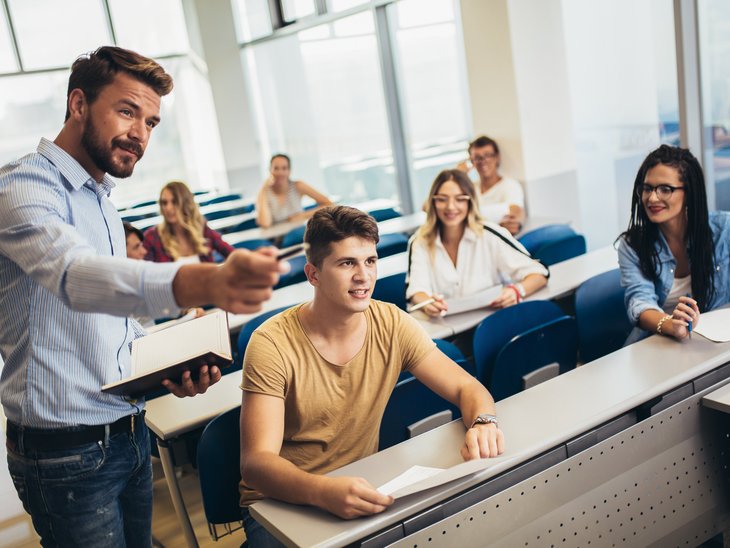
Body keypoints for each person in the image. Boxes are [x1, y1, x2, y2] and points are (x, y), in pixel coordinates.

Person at [0, 46, 286, 547]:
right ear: (78, 104)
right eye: (127, 111)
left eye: (152, 122)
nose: (141, 133)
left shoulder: (103, 202)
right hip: (64, 453)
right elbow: (74, 275)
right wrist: (205, 280)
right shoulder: (23, 186)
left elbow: (116, 321)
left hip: (129, 429)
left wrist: (166, 368)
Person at [239, 206, 504, 546]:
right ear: (314, 274)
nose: (364, 276)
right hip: (277, 503)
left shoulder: (391, 323)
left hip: (361, 483)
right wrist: (323, 491)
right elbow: (257, 464)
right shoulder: (271, 343)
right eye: (347, 263)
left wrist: (483, 421)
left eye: (370, 261)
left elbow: (467, 387)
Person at [617, 144, 730, 343]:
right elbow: (640, 302)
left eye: (665, 189)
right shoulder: (632, 245)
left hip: (714, 341)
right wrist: (671, 325)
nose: (652, 198)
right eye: (647, 188)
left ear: (689, 193)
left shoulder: (724, 229)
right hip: (658, 343)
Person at [406, 169, 548, 318]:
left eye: (460, 199)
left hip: (494, 320)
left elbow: (539, 273)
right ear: (433, 202)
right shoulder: (419, 242)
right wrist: (427, 302)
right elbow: (416, 290)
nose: (451, 207)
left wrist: (517, 291)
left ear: (470, 202)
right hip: (448, 328)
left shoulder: (489, 234)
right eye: (442, 199)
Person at [143, 180, 234, 263]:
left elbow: (233, 254)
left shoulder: (202, 230)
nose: (168, 208)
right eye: (164, 203)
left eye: (174, 202)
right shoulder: (152, 237)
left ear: (186, 204)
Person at [457, 135, 525, 234]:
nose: (483, 161)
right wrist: (457, 176)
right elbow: (429, 206)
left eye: (488, 155)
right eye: (477, 158)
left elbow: (516, 213)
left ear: (497, 157)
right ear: (472, 162)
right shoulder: (470, 188)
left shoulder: (509, 185)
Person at [255, 153, 332, 228]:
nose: (280, 172)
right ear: (270, 170)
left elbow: (329, 204)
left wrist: (303, 215)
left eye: (284, 168)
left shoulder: (298, 186)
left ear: (289, 171)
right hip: (278, 239)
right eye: (276, 168)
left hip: (299, 233)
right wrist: (264, 188)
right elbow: (265, 223)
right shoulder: (263, 193)